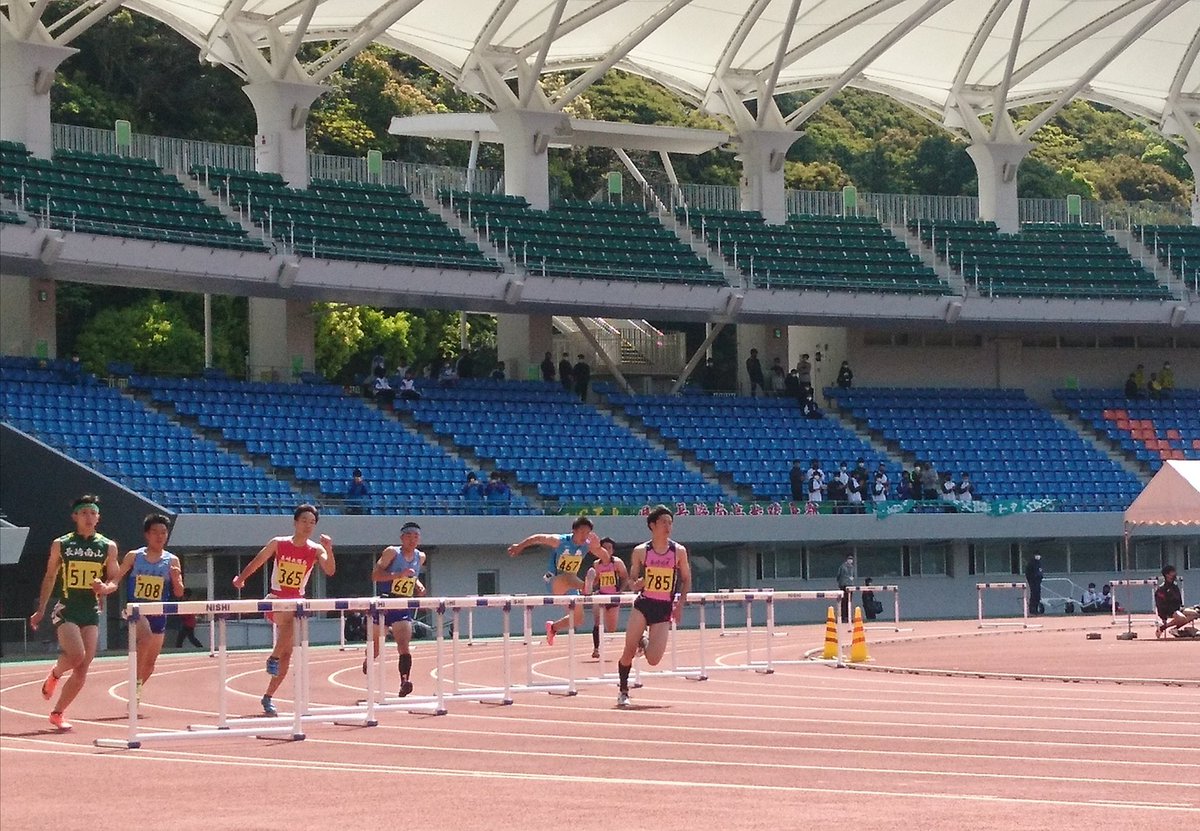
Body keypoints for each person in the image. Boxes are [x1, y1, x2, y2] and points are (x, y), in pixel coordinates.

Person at [231, 504, 335, 717]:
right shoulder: (278, 543)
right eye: (304, 521)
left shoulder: (316, 549)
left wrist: (330, 549)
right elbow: (258, 561)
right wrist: (241, 579)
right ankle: (274, 657)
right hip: (276, 600)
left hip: (297, 602)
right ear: (295, 522)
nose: (308, 525)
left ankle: (268, 696)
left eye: (312, 522)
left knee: (288, 654)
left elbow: (330, 570)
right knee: (292, 619)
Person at [29, 494, 120, 730]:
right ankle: (56, 673)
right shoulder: (62, 544)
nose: (88, 517)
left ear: (98, 517)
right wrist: (40, 610)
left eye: (93, 513)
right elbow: (50, 577)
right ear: (75, 517)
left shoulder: (107, 547)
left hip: (90, 611)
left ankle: (58, 713)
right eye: (84, 513)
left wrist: (105, 588)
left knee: (82, 667)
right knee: (77, 654)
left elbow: (114, 580)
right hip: (67, 609)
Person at [94, 513, 185, 702]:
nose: (159, 536)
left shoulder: (172, 560)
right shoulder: (134, 557)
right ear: (147, 535)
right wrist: (104, 589)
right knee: (145, 637)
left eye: (163, 532)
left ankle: (136, 688)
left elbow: (179, 593)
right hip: (136, 611)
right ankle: (135, 680)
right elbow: (116, 580)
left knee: (150, 665)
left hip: (159, 615)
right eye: (155, 532)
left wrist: (176, 579)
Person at [616, 505, 691, 707]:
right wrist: (636, 583)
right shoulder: (641, 551)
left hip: (664, 608)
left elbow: (686, 579)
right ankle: (623, 690)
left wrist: (680, 605)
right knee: (628, 649)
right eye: (663, 522)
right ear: (652, 525)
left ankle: (644, 640)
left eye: (670, 522)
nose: (668, 526)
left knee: (654, 660)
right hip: (644, 604)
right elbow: (632, 581)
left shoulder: (678, 552)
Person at [508, 516, 605, 645]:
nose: (584, 536)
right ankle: (586, 587)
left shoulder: (587, 545)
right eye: (582, 532)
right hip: (554, 581)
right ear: (574, 531)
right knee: (568, 577)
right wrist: (520, 546)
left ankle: (553, 628)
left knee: (578, 619)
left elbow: (606, 557)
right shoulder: (560, 541)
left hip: (572, 585)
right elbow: (537, 538)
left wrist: (598, 548)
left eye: (587, 533)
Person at [366, 521, 426, 696]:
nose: (412, 540)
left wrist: (418, 586)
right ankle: (368, 659)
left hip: (403, 605)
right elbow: (375, 576)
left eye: (416, 536)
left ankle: (404, 681)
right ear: (402, 537)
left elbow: (412, 577)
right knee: (376, 646)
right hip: (385, 603)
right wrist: (397, 575)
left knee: (404, 645)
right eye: (409, 536)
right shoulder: (392, 552)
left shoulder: (420, 556)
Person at [584, 536, 630, 658]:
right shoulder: (596, 564)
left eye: (609, 548)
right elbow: (597, 580)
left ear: (612, 550)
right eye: (604, 548)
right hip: (601, 596)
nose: (606, 550)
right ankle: (596, 649)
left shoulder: (617, 563)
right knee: (597, 622)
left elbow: (625, 577)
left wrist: (620, 591)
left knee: (611, 629)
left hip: (614, 597)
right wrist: (591, 585)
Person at [1154, 565, 1183, 630]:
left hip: (1178, 609)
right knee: (1182, 618)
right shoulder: (1162, 589)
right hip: (1169, 611)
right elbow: (1160, 604)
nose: (1175, 573)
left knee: (1195, 613)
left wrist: (1181, 606)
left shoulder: (1175, 586)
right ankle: (1163, 627)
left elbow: (1179, 599)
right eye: (1172, 572)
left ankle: (1174, 629)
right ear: (1167, 575)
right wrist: (1163, 617)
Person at [836, 553, 855, 623]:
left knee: (848, 602)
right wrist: (841, 583)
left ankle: (848, 617)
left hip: (850, 586)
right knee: (844, 602)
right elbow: (838, 576)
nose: (850, 560)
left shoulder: (852, 567)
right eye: (849, 559)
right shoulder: (843, 567)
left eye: (851, 559)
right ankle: (844, 617)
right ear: (847, 560)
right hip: (844, 585)